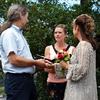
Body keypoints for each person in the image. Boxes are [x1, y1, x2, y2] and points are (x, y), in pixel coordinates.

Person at [0, 4, 47, 100]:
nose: (27, 20)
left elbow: (22, 59)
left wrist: (39, 64)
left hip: (25, 81)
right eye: (27, 17)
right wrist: (35, 62)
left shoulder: (19, 34)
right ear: (21, 15)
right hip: (17, 82)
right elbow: (13, 60)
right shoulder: (9, 34)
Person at [59, 14, 98, 100]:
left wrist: (65, 65)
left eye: (73, 27)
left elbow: (81, 69)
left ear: (77, 28)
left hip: (80, 93)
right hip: (85, 90)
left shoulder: (83, 45)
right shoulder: (88, 44)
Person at [44, 24, 75, 100]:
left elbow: (73, 69)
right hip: (52, 84)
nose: (57, 34)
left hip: (67, 84)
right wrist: (63, 67)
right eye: (55, 32)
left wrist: (53, 67)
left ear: (65, 35)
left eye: (60, 32)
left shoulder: (72, 49)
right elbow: (46, 68)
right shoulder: (48, 48)